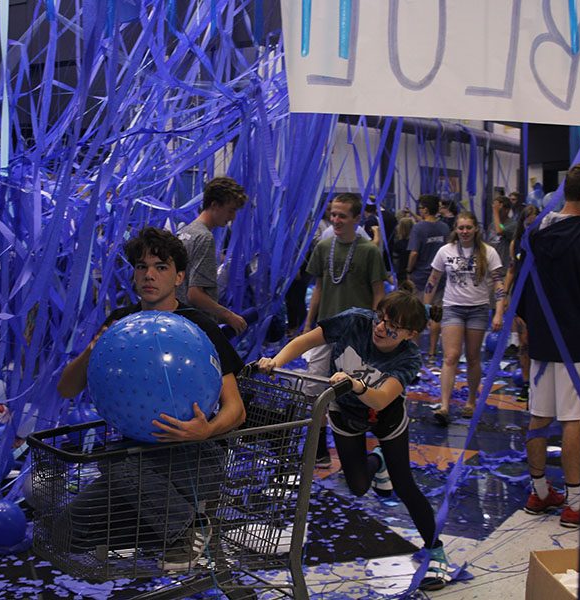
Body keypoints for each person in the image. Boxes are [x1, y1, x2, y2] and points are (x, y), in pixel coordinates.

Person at [56, 227, 245, 570]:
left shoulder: (200, 326)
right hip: (137, 459)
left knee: (113, 458)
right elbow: (67, 389)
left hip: (193, 456)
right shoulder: (120, 324)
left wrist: (206, 430)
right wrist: (91, 350)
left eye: (160, 267)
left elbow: (237, 409)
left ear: (179, 276)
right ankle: (172, 526)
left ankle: (188, 527)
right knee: (65, 530)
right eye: (141, 267)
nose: (149, 275)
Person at [257, 292, 451, 591]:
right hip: (346, 413)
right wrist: (276, 361)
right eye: (381, 318)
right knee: (359, 486)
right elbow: (306, 341)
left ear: (411, 335)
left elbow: (383, 397)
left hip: (385, 417)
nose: (381, 328)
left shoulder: (409, 357)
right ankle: (377, 463)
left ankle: (435, 548)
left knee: (404, 485)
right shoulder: (354, 321)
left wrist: (357, 385)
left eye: (393, 327)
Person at [520, 163, 580, 529]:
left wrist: (525, 325)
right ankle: (576, 501)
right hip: (576, 341)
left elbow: (522, 286)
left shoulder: (535, 235)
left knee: (539, 417)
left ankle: (540, 490)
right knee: (573, 419)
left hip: (542, 342)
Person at [304, 193, 387, 467]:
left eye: (342, 215)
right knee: (313, 388)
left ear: (356, 218)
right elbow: (318, 288)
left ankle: (358, 454)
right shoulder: (323, 246)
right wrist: (308, 325)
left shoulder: (369, 251)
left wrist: (377, 327)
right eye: (333, 214)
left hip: (356, 334)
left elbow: (378, 292)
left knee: (351, 393)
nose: (336, 220)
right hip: (325, 329)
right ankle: (318, 451)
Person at [423, 212, 506, 425]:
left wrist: (498, 312)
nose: (465, 232)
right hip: (452, 308)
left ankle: (471, 400)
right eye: (461, 228)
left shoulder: (489, 252)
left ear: (475, 229)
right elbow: (433, 279)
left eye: (468, 227)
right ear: (456, 229)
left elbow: (498, 283)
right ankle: (444, 405)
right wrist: (425, 307)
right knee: (450, 356)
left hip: (478, 309)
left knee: (472, 357)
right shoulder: (445, 251)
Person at [176, 176, 249, 335]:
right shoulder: (205, 238)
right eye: (231, 210)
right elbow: (194, 295)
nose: (233, 217)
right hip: (194, 328)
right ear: (215, 205)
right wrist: (228, 315)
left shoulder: (184, 233)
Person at [503, 205, 541, 402]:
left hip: (539, 296)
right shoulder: (516, 243)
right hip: (520, 295)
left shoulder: (544, 242)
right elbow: (511, 268)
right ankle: (526, 383)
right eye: (527, 221)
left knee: (537, 340)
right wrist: (504, 295)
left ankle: (538, 382)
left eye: (534, 220)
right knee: (523, 341)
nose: (530, 224)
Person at [406, 195, 450, 363]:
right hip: (440, 277)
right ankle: (432, 353)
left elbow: (414, 253)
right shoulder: (444, 228)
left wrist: (408, 270)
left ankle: (415, 353)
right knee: (436, 316)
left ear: (424, 209)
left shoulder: (418, 228)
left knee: (417, 316)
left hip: (420, 277)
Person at [487, 195, 516, 270]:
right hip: (491, 269)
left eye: (499, 210)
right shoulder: (492, 225)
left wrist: (495, 212)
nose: (497, 212)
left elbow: (499, 231)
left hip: (504, 269)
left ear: (507, 210)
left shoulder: (513, 224)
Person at [391, 217, 414, 285]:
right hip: (415, 273)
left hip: (402, 274)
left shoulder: (399, 244)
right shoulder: (416, 243)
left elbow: (395, 261)